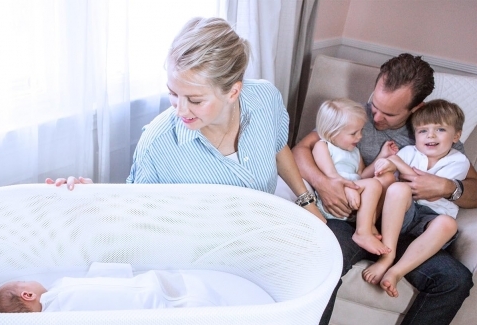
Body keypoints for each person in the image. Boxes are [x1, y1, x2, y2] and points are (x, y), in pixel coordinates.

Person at [292, 53, 476, 325]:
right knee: (324, 254)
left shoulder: (432, 132)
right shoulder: (354, 116)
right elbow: (302, 150)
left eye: (389, 114)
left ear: (416, 109)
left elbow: (474, 189)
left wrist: (450, 187)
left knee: (455, 280)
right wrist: (324, 183)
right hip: (354, 220)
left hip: (412, 230)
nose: (375, 117)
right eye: (374, 104)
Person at [47, 17, 325, 222]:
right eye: (172, 93)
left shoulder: (264, 98)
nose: (180, 110)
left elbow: (277, 148)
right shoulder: (157, 143)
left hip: (264, 230)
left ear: (233, 91)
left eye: (195, 100)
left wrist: (306, 201)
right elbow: (134, 213)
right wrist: (91, 199)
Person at [363, 100, 469, 297]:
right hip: (402, 212)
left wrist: (398, 163)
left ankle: (396, 272)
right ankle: (387, 256)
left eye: (440, 129)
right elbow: (393, 172)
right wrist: (387, 164)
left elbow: (426, 187)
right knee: (398, 188)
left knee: (448, 224)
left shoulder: (459, 161)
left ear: (456, 136)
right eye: (423, 131)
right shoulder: (409, 152)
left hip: (431, 219)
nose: (430, 135)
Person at [0, 263, 257, 313]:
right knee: (195, 300)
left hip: (147, 294)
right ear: (28, 295)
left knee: (188, 297)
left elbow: (96, 285)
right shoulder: (59, 292)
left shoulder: (56, 309)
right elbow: (97, 283)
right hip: (151, 295)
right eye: (24, 282)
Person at [312, 97, 395, 255]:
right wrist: (347, 188)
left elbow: (362, 176)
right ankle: (362, 232)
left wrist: (382, 156)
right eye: (353, 133)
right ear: (332, 133)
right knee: (373, 184)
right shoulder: (323, 146)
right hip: (333, 199)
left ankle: (367, 225)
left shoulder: (354, 152)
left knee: (378, 182)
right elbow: (331, 176)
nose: (360, 136)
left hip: (353, 201)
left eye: (361, 131)